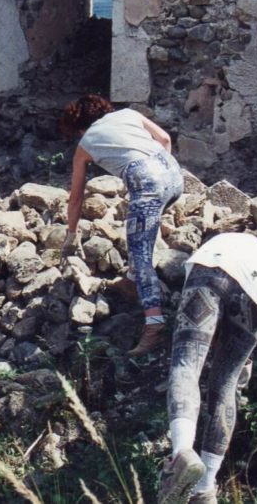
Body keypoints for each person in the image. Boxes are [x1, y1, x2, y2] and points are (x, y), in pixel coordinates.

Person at [158, 233, 257, 504]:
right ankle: (205, 488)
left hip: (210, 266)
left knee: (186, 364)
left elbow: (210, 322)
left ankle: (182, 454)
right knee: (225, 386)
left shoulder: (234, 238)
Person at [59, 94, 183, 356]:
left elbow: (76, 197)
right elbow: (165, 140)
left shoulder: (86, 143)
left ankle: (154, 326)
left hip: (148, 184)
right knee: (140, 228)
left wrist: (71, 234)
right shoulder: (128, 114)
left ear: (80, 126)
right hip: (174, 176)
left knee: (141, 256)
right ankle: (129, 283)